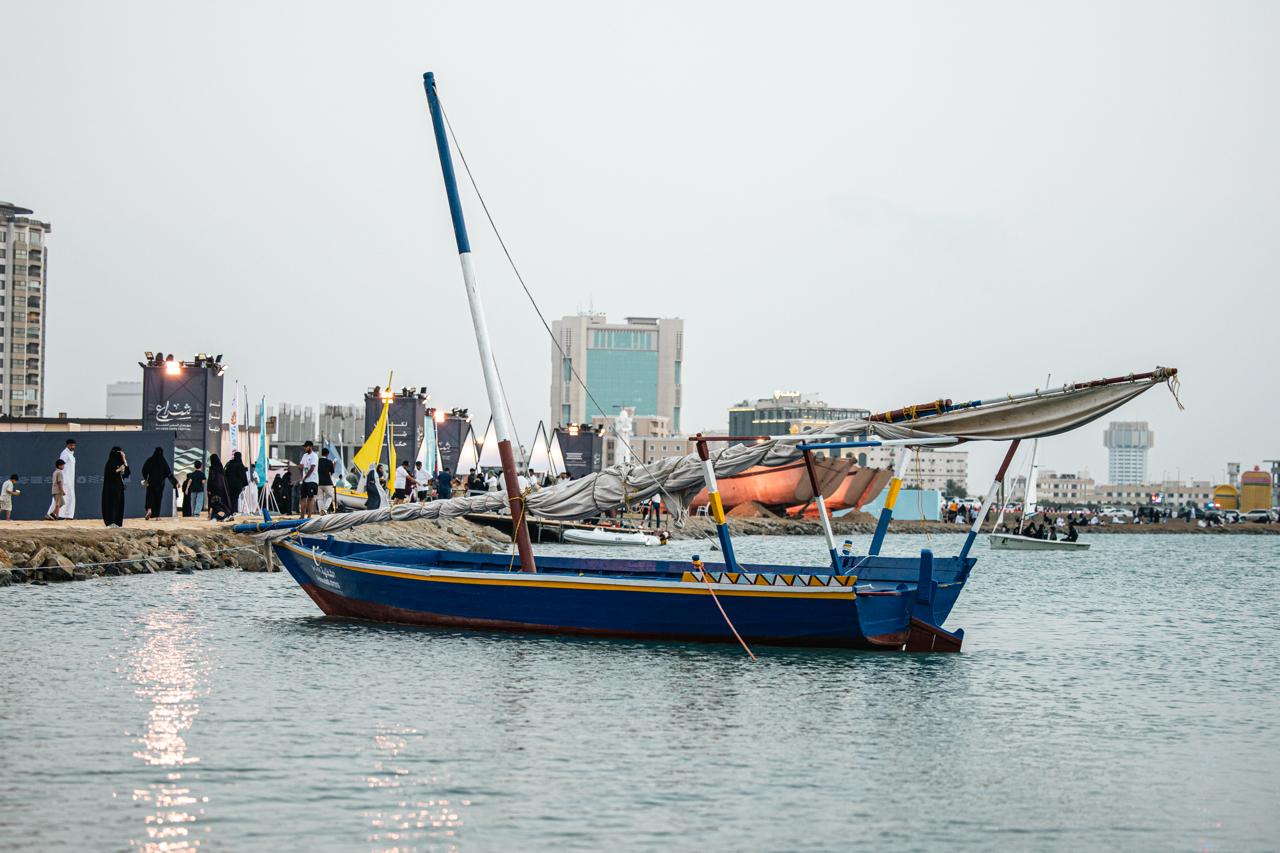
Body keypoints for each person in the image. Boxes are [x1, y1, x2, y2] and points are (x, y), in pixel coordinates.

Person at [141, 447, 177, 520]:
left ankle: (149, 510)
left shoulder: (150, 460)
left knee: (150, 497)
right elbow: (169, 473)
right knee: (158, 499)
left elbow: (144, 470)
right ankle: (157, 516)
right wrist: (175, 482)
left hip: (151, 482)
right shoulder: (163, 461)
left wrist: (146, 478)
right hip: (160, 484)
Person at [47, 438, 77, 520]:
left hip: (70, 481)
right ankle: (50, 514)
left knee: (70, 497)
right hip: (64, 480)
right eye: (71, 445)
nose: (73, 447)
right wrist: (61, 480)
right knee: (58, 499)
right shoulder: (64, 453)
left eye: (74, 445)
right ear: (67, 445)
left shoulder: (71, 454)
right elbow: (60, 466)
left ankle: (68, 516)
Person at [101, 447, 130, 527]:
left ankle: (118, 523)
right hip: (111, 489)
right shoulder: (110, 463)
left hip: (119, 488)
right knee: (112, 505)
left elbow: (127, 474)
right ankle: (111, 522)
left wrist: (124, 459)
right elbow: (110, 474)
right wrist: (118, 470)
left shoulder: (120, 462)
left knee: (119, 505)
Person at [206, 454, 233, 522]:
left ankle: (218, 516)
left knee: (215, 504)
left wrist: (209, 489)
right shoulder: (221, 468)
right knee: (221, 504)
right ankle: (224, 516)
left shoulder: (212, 468)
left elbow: (211, 479)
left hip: (214, 490)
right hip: (222, 490)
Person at [224, 451, 249, 515]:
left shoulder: (229, 463)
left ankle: (229, 510)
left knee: (230, 497)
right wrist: (244, 484)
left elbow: (225, 472)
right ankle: (234, 510)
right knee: (235, 498)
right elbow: (242, 475)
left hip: (229, 484)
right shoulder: (240, 464)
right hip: (237, 485)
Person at [299, 442, 319, 519]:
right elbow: (301, 466)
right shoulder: (304, 456)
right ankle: (301, 516)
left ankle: (309, 516)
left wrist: (305, 477)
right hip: (304, 480)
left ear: (310, 447)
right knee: (302, 497)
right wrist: (302, 476)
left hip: (312, 480)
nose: (304, 448)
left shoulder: (314, 456)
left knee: (310, 498)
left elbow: (312, 468)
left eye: (306, 447)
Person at [317, 448, 336, 514]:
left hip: (319, 482)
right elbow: (332, 472)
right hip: (328, 482)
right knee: (329, 497)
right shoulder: (329, 462)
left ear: (321, 453)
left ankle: (320, 510)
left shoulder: (317, 461)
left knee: (319, 498)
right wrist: (334, 465)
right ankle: (325, 509)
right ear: (327, 454)